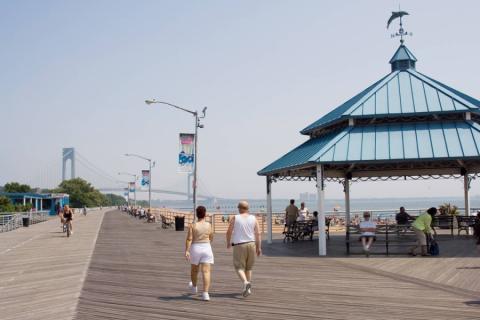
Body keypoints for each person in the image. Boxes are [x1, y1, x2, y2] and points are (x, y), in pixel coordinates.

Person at [226, 201, 261, 297]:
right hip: (251, 244)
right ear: (247, 208)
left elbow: (228, 232)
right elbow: (258, 234)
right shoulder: (254, 218)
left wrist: (228, 242)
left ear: (240, 208)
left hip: (239, 245)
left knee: (239, 267)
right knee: (249, 268)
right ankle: (247, 289)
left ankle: (245, 283)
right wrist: (259, 247)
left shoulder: (235, 218)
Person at [185, 206, 214, 301]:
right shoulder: (209, 225)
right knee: (206, 271)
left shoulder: (193, 225)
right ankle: (205, 293)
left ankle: (194, 287)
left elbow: (189, 239)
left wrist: (187, 250)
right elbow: (211, 237)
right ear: (205, 214)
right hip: (206, 248)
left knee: (194, 270)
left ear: (197, 214)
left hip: (196, 248)